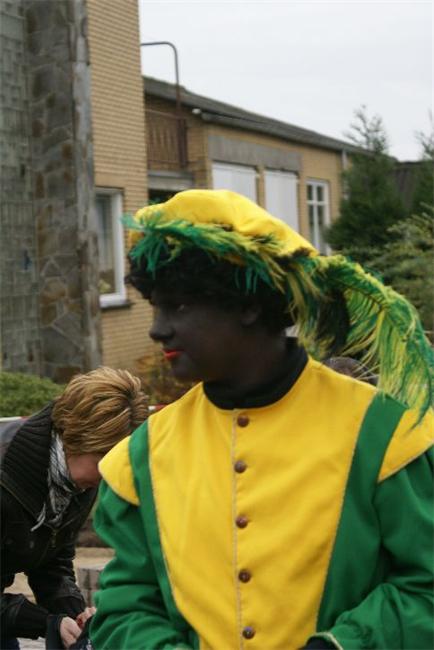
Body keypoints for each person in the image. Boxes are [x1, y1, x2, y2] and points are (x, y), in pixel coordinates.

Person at [89, 190, 433, 650]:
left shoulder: (384, 434)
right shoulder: (143, 455)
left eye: (180, 306)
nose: (158, 328)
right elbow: (124, 610)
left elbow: (425, 587)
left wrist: (341, 645)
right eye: (156, 305)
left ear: (248, 304)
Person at [0, 366, 149, 649]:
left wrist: (74, 615)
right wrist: (45, 622)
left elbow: (51, 559)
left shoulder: (74, 480)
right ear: (76, 438)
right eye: (103, 461)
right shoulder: (7, 475)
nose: (109, 477)